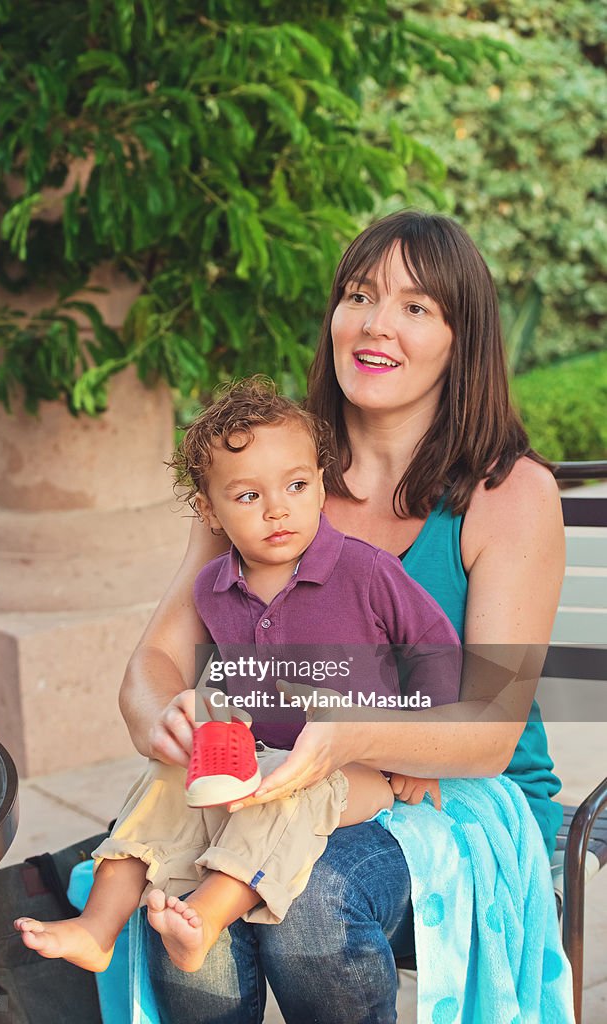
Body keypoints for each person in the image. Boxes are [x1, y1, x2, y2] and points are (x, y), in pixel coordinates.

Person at [119, 210, 566, 1023]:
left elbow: (492, 729)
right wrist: (164, 719)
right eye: (359, 295)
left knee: (312, 905)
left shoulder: (509, 496)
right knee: (185, 892)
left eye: (416, 307)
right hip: (287, 776)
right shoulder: (264, 474)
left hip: (454, 799)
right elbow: (156, 660)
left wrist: (353, 733)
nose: (375, 324)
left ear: (462, 339)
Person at [13, 379, 460, 975]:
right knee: (163, 777)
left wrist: (414, 749)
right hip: (263, 754)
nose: (278, 509)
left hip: (357, 766)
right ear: (209, 509)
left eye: (296, 486)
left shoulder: (364, 570)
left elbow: (437, 652)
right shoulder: (214, 589)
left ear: (321, 486)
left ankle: (207, 916)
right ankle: (98, 925)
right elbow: (230, 673)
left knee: (293, 794)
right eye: (248, 495)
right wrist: (206, 711)